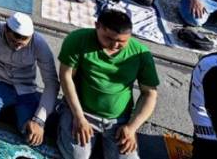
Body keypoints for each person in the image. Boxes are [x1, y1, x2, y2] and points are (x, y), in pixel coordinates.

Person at [57, 9, 159, 159]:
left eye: (121, 42)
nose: (115, 45)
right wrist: (79, 117)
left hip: (119, 121)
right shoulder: (78, 40)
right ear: (97, 26)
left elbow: (149, 94)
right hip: (82, 112)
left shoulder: (140, 54)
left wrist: (131, 128)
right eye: (109, 38)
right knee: (76, 156)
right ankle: (63, 123)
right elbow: (66, 77)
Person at [0, 13, 58, 147]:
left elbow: (51, 83)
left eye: (23, 42)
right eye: (13, 40)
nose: (17, 46)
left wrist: (39, 121)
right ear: (5, 30)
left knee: (31, 135)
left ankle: (12, 113)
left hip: (24, 89)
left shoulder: (39, 44)